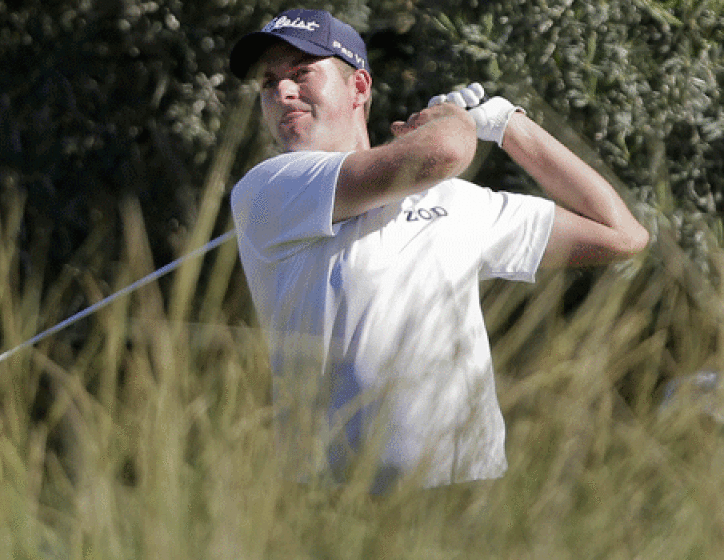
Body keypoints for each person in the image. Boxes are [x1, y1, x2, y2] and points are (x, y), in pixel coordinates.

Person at [228, 9, 649, 493]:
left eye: (301, 73)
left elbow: (621, 235)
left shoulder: (453, 201)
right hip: (335, 503)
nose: (282, 92)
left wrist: (508, 124)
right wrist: (452, 122)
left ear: (359, 88)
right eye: (268, 83)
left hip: (468, 495)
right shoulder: (268, 189)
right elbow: (445, 151)